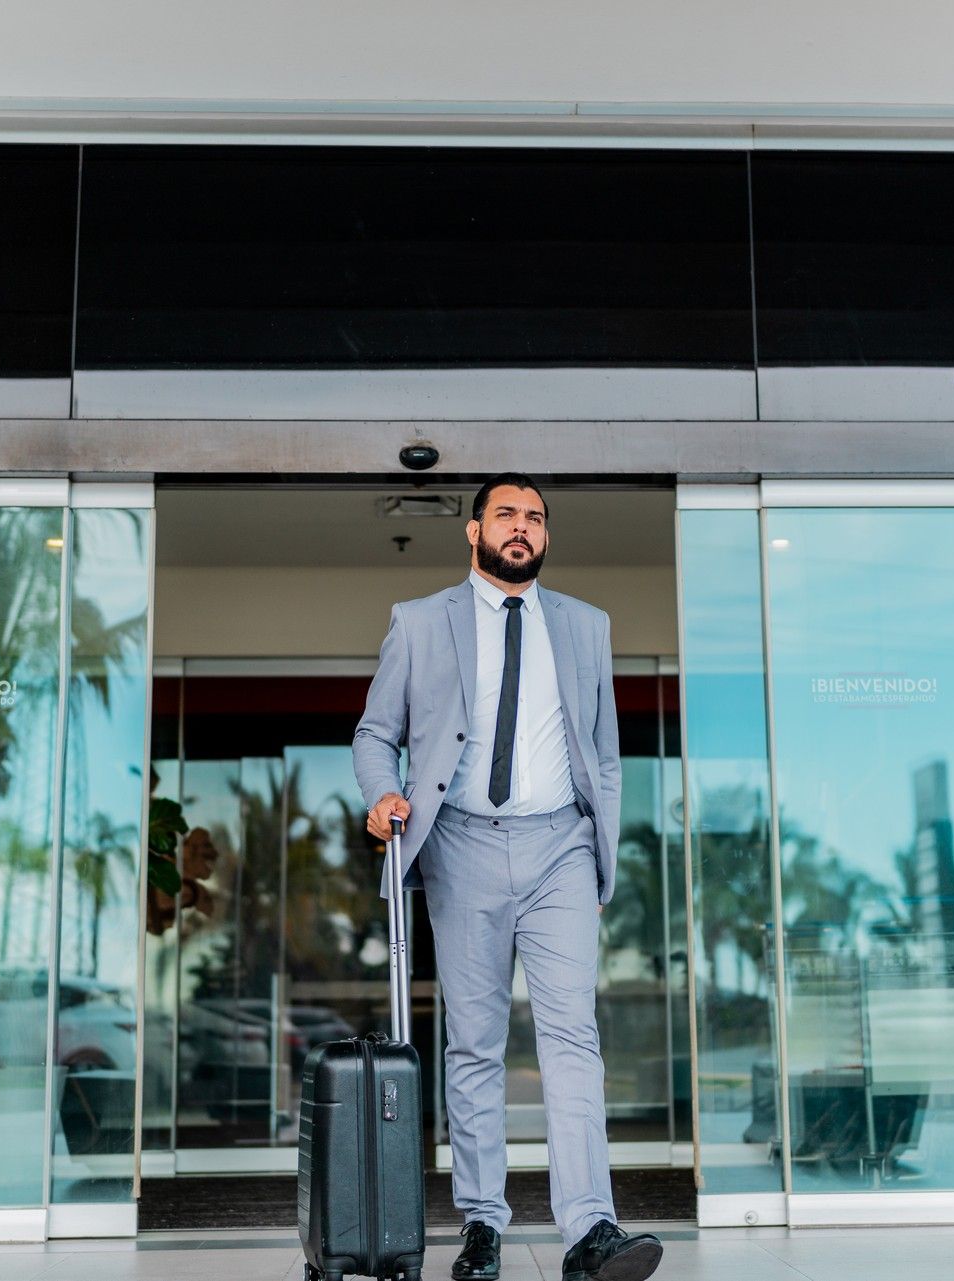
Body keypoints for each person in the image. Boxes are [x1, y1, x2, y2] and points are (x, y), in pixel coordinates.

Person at [354, 474, 663, 1281]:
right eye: (506, 515)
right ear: (474, 530)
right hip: (459, 842)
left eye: (534, 517)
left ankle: (591, 1227)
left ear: (547, 537)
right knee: (476, 1043)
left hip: (561, 841)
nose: (520, 528)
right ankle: (483, 1224)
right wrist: (380, 793)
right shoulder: (420, 623)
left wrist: (600, 848)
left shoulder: (587, 626)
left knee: (572, 1036)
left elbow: (605, 750)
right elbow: (373, 731)